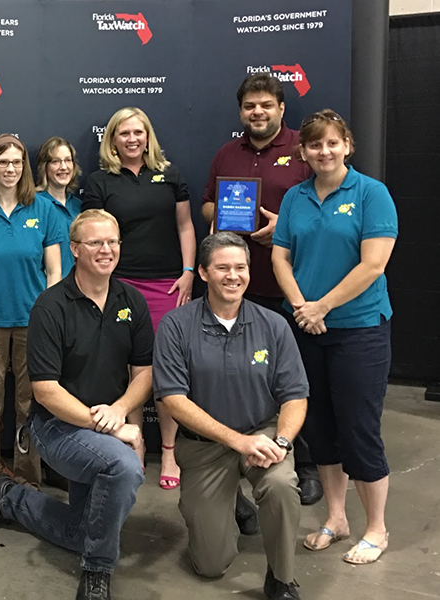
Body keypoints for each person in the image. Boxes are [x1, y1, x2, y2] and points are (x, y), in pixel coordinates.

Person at [0, 209, 152, 600]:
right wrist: (110, 427)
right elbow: (46, 392)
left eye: (113, 242)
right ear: (74, 249)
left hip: (107, 421)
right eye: (95, 243)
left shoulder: (131, 301)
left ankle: (10, 497)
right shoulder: (50, 307)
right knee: (122, 468)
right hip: (55, 426)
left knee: (84, 529)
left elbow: (145, 373)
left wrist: (121, 412)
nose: (106, 250)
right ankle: (96, 571)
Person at [272, 110, 398, 565]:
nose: (323, 152)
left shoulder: (371, 194)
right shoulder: (294, 197)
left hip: (358, 330)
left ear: (347, 145)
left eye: (332, 143)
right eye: (314, 145)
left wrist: (321, 307)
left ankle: (377, 528)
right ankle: (337, 518)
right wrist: (304, 309)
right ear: (303, 152)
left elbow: (372, 265)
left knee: (359, 429)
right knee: (320, 429)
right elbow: (281, 258)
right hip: (306, 329)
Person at [154, 232, 309, 600]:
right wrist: (238, 442)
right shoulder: (176, 326)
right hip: (205, 447)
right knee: (210, 565)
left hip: (263, 434)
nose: (233, 275)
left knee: (281, 485)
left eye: (240, 267)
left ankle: (282, 578)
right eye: (222, 267)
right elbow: (173, 400)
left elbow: (295, 396)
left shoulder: (273, 326)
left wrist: (282, 442)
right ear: (204, 273)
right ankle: (229, 504)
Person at [201, 74, 322, 525]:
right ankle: (234, 473)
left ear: (281, 108)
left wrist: (283, 224)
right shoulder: (226, 153)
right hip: (235, 291)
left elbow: (320, 204)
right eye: (250, 106)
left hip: (289, 290)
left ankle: (303, 465)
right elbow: (209, 207)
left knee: (292, 383)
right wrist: (234, 216)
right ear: (241, 112)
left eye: (266, 105)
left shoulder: (302, 149)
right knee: (236, 383)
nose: (258, 113)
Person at [83, 107, 196, 490]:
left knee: (164, 371)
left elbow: (185, 225)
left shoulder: (171, 175)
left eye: (138, 132)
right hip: (120, 285)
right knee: (126, 366)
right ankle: (134, 438)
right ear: (112, 139)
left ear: (148, 136)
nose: (132, 139)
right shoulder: (99, 182)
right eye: (123, 133)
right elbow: (94, 236)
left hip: (167, 285)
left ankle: (168, 449)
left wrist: (189, 272)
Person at [0, 134, 63, 511]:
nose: (10, 169)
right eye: (2, 162)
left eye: (17, 162)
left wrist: (47, 322)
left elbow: (54, 271)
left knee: (29, 407)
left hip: (33, 327)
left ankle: (27, 481)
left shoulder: (43, 209)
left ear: (25, 168)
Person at [35, 136, 82, 276]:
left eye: (68, 160)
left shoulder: (79, 206)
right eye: (56, 161)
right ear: (45, 167)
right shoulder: (34, 205)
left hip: (79, 288)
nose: (63, 167)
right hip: (48, 288)